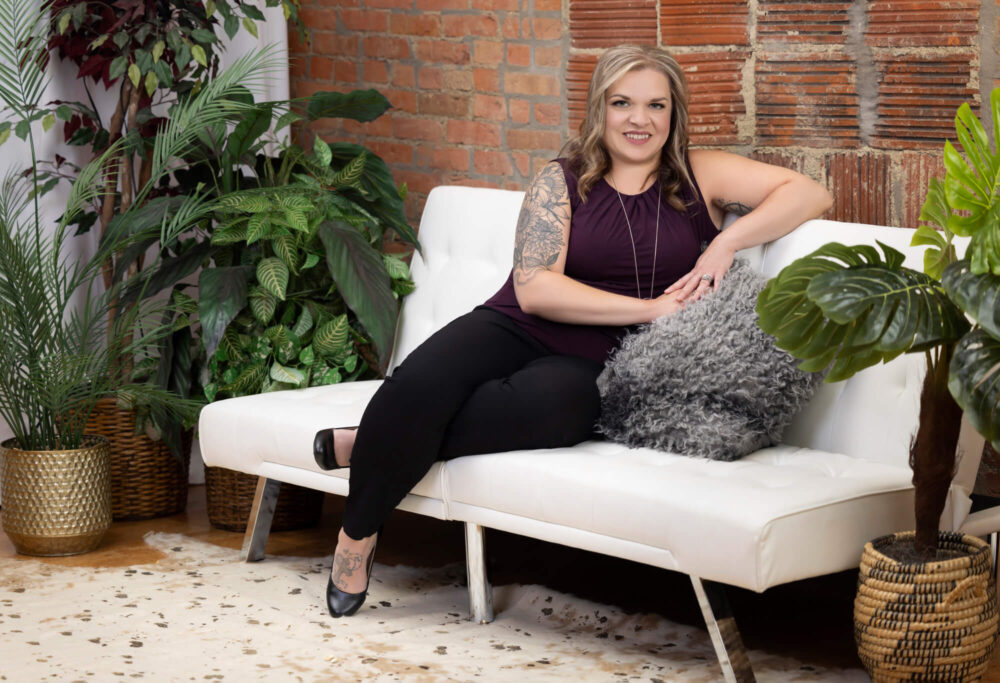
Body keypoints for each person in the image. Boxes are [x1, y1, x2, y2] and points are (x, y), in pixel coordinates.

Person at [312, 44, 833, 618]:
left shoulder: (699, 173)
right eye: (623, 103)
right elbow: (536, 288)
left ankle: (372, 441)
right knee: (418, 386)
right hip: (514, 324)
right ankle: (355, 541)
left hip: (594, 358)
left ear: (674, 113)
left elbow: (810, 193)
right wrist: (652, 309)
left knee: (561, 407)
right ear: (599, 109)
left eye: (656, 105)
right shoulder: (559, 180)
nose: (640, 119)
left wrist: (729, 241)